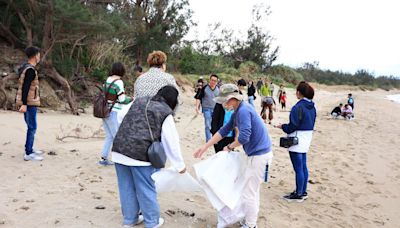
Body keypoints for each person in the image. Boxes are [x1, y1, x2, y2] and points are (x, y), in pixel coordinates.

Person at [194, 84, 273, 228]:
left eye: (224, 101)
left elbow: (244, 137)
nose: (223, 104)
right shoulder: (238, 110)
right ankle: (250, 220)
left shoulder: (243, 111)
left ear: (232, 99)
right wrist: (205, 147)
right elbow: (223, 130)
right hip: (256, 154)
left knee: (250, 192)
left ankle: (250, 224)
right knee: (251, 190)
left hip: (259, 156)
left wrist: (229, 147)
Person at [112, 86, 186, 228]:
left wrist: (129, 133)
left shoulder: (139, 101)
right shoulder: (165, 112)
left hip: (119, 150)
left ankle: (130, 220)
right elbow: (171, 141)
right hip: (140, 155)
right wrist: (180, 165)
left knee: (126, 187)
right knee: (146, 188)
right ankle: (152, 222)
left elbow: (120, 115)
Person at [276, 81, 316, 203]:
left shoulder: (298, 107)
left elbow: (292, 126)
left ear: (299, 92)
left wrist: (282, 126)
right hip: (306, 138)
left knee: (298, 168)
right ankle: (302, 191)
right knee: (303, 166)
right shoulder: (312, 107)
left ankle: (299, 194)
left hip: (296, 139)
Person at [99, 62, 133, 166]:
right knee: (117, 137)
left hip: (104, 111)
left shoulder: (108, 80)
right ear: (121, 71)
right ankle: (120, 160)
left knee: (109, 136)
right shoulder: (119, 82)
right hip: (114, 112)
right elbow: (122, 99)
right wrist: (131, 99)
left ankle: (103, 158)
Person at [15, 46, 44, 161]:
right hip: (30, 102)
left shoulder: (24, 67)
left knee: (30, 126)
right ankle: (28, 153)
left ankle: (30, 148)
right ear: (35, 55)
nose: (40, 56)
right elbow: (26, 87)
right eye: (39, 54)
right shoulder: (30, 70)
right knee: (32, 127)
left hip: (28, 101)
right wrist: (24, 104)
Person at [195, 74, 220, 142]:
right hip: (206, 109)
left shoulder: (218, 89)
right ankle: (209, 140)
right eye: (212, 80)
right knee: (208, 125)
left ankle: (214, 139)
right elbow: (198, 97)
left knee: (215, 125)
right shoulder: (204, 88)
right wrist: (197, 107)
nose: (213, 82)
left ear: (217, 81)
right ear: (210, 80)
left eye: (215, 81)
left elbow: (221, 100)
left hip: (216, 109)